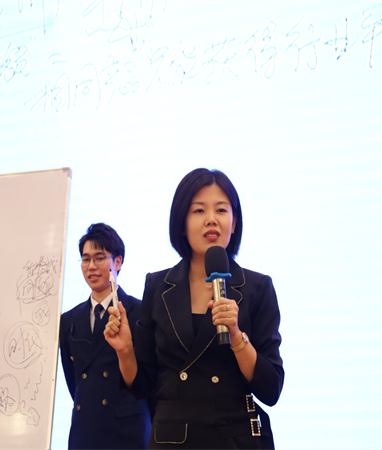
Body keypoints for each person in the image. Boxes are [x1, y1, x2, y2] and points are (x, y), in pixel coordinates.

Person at [105, 168, 284, 449]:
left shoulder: (257, 287)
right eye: (199, 210)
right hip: (173, 439)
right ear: (182, 223)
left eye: (221, 210)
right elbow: (142, 386)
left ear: (234, 223)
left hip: (234, 438)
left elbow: (271, 389)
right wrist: (125, 351)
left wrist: (237, 337)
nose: (211, 219)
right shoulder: (158, 286)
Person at [59, 223, 152, 449]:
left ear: (117, 262)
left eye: (99, 258)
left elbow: (148, 381)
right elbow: (75, 383)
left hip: (127, 432)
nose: (91, 266)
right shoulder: (68, 320)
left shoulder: (141, 312)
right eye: (85, 259)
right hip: (85, 430)